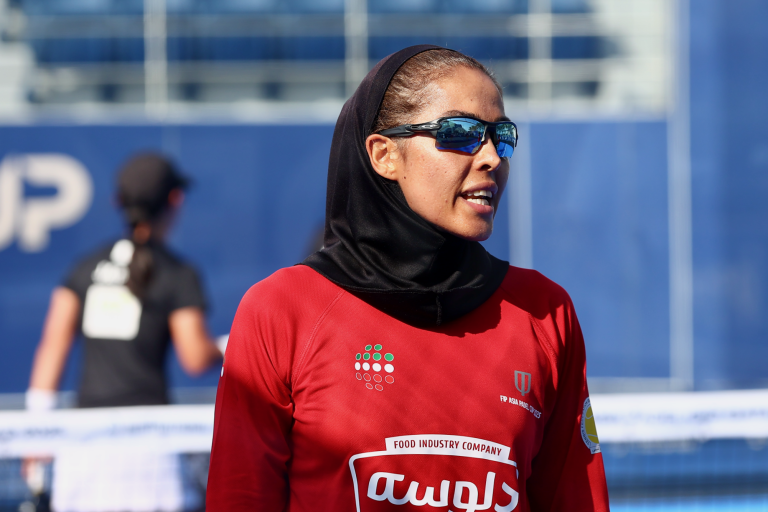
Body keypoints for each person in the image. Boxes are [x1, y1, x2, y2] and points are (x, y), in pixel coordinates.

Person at [207, 45, 610, 511]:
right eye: (460, 133)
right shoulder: (283, 309)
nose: (491, 158)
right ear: (384, 155)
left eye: (501, 137)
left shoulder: (543, 310)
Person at [26, 153, 223, 512]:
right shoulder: (177, 273)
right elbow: (195, 357)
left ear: (118, 201)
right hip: (151, 452)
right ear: (175, 200)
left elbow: (52, 348)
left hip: (82, 450)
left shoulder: (83, 268)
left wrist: (34, 433)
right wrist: (228, 347)